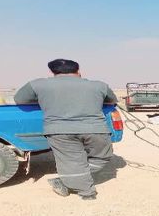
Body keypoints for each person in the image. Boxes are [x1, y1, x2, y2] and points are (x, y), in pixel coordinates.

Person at [14, 59, 117, 200]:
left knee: (72, 162)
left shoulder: (37, 84)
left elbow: (20, 99)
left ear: (52, 72)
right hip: (95, 129)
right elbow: (111, 100)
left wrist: (44, 99)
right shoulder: (99, 85)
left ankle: (70, 180)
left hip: (59, 130)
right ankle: (87, 192)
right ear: (78, 71)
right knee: (102, 157)